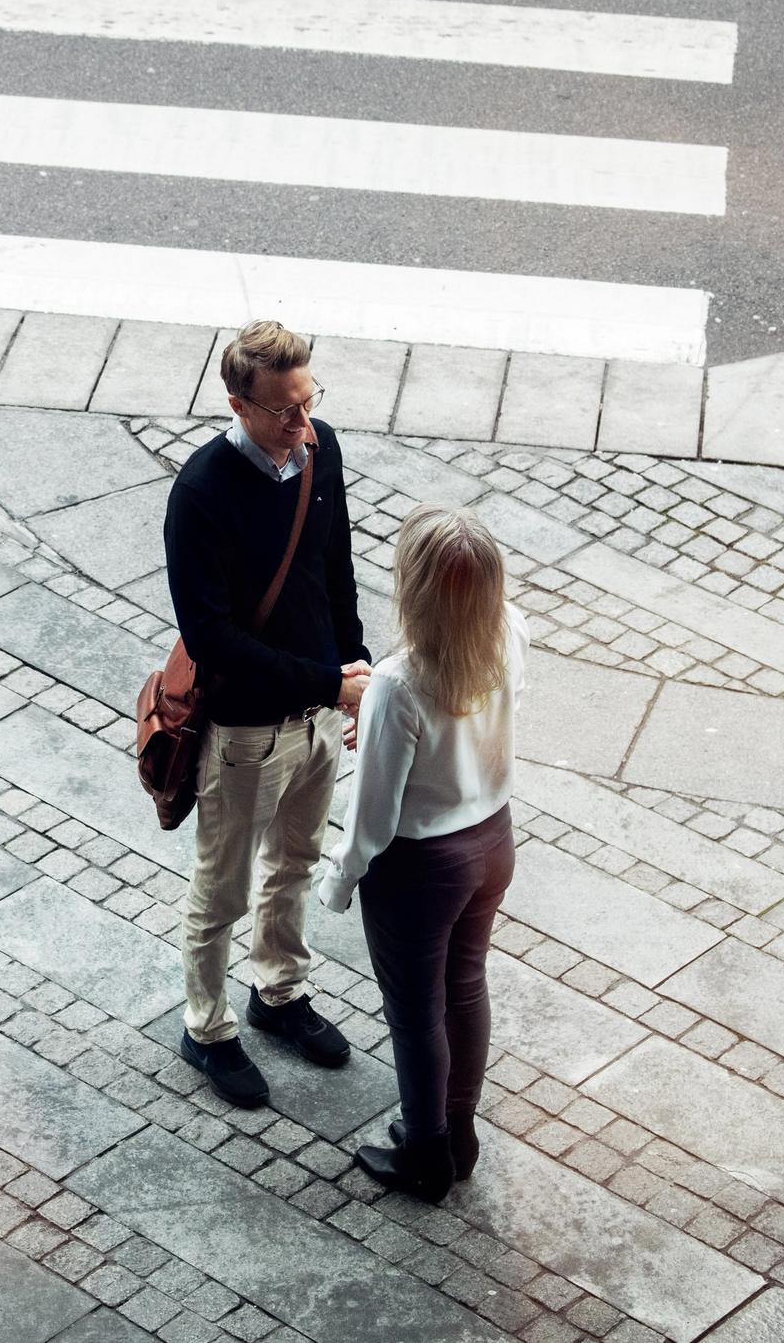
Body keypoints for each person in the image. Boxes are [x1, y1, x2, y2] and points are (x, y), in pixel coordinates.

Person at [164, 319, 372, 1109]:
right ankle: (207, 1025)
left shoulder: (322, 450)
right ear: (238, 404)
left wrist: (355, 670)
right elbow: (211, 638)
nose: (301, 424)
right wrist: (330, 679)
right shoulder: (202, 493)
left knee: (298, 860)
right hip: (247, 730)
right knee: (222, 886)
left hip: (319, 709)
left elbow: (335, 568)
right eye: (283, 410)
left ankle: (278, 991)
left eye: (308, 401)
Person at [318, 506, 528, 1201]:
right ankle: (458, 1133)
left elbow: (372, 815)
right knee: (465, 987)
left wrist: (341, 879)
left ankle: (425, 1153)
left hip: (420, 868)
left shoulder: (398, 684)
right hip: (493, 840)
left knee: (414, 1011)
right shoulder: (508, 635)